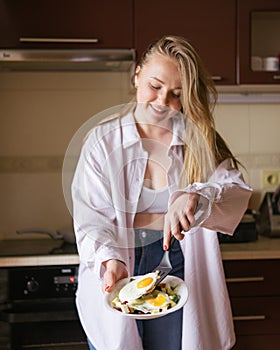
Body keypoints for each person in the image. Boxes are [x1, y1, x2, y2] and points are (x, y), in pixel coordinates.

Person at [71, 35, 252, 350]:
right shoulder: (102, 142)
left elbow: (236, 193)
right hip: (117, 264)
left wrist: (199, 197)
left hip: (177, 270)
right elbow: (92, 218)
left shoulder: (200, 142)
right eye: (155, 86)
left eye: (176, 94)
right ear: (137, 74)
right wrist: (109, 260)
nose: (162, 102)